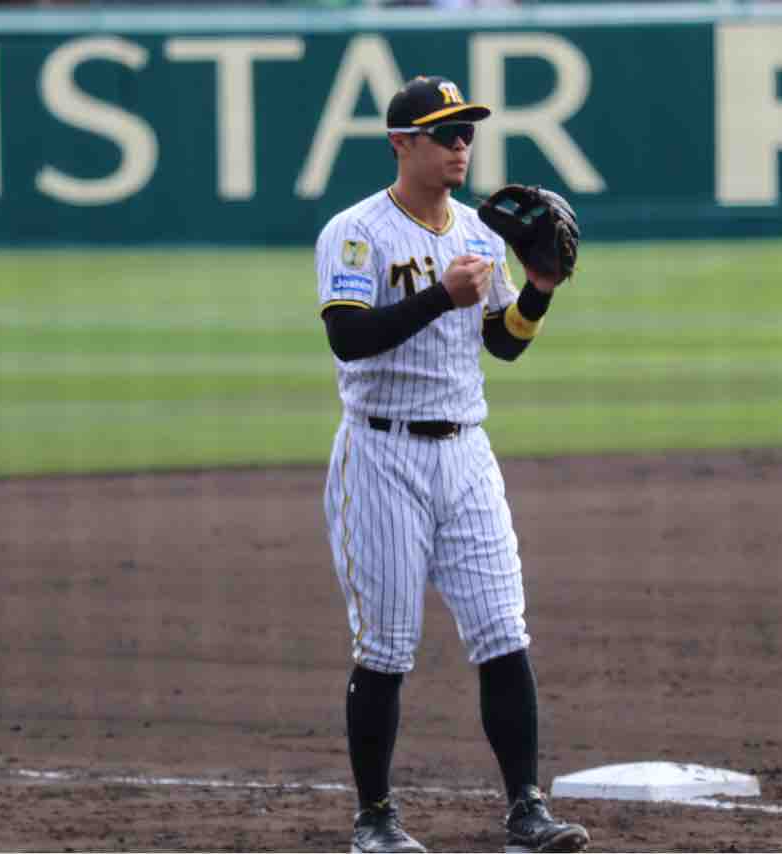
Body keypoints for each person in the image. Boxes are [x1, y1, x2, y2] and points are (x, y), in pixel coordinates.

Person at [314, 75, 590, 854]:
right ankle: (375, 820)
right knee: (386, 645)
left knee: (503, 631)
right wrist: (439, 296)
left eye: (466, 132)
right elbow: (348, 338)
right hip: (380, 455)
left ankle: (527, 809)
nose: (461, 145)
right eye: (445, 133)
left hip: (467, 453)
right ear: (402, 143)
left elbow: (502, 341)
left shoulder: (478, 233)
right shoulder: (355, 232)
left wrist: (538, 292)